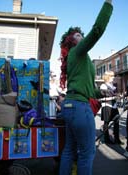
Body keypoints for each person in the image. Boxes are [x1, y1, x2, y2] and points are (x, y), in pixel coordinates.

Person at [58, 1, 113, 175]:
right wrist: (108, 4)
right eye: (79, 35)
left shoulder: (77, 58)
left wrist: (101, 92)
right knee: (87, 153)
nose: (82, 36)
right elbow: (97, 30)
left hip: (70, 105)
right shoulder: (78, 51)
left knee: (69, 151)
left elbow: (85, 88)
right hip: (80, 108)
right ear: (72, 40)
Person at [100, 71, 122, 144]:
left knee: (117, 122)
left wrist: (119, 96)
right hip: (107, 107)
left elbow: (116, 95)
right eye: (112, 76)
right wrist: (113, 98)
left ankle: (117, 139)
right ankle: (107, 139)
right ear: (107, 77)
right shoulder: (103, 86)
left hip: (114, 106)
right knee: (106, 123)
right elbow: (100, 99)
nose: (113, 77)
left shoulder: (113, 86)